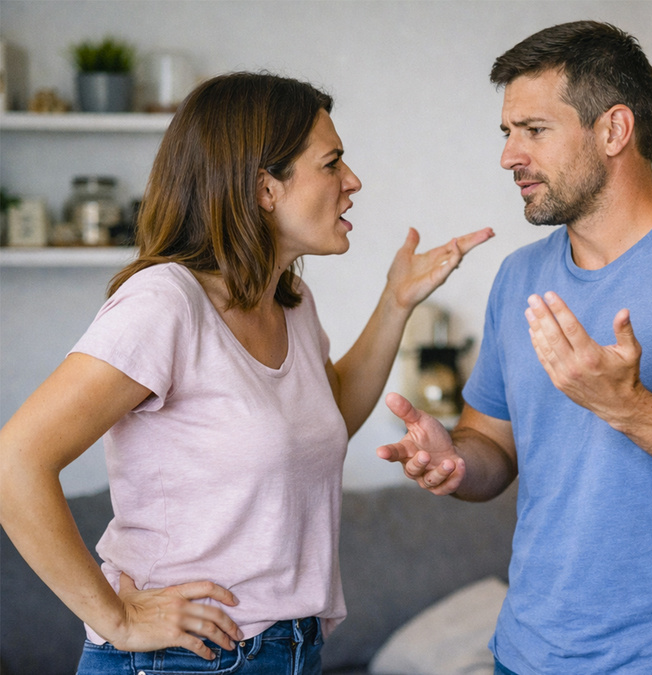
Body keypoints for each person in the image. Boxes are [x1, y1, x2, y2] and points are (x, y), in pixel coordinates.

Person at [0, 72, 492, 673]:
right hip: (185, 658)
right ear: (264, 188)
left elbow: (330, 415)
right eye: (332, 163)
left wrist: (396, 303)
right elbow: (15, 462)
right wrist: (118, 619)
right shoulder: (165, 303)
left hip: (292, 649)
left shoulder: (292, 304)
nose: (352, 180)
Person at [375, 20, 652, 674]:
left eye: (534, 130)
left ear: (614, 130)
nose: (509, 156)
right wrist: (456, 460)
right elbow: (492, 443)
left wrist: (628, 406)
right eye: (507, 132)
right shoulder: (519, 277)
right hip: (525, 654)